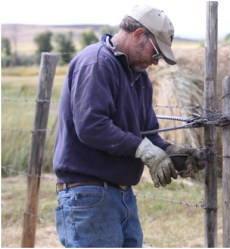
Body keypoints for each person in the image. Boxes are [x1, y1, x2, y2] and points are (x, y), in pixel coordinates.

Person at [53, 5, 205, 247]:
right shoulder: (97, 63)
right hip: (89, 196)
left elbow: (146, 135)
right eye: (156, 53)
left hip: (121, 195)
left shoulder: (139, 78)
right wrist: (144, 151)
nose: (155, 63)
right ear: (138, 35)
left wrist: (169, 151)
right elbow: (91, 126)